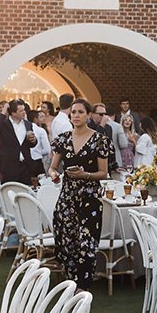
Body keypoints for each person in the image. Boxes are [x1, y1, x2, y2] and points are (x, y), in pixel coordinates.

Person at [47, 98, 112, 289]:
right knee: (68, 240)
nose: (75, 115)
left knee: (86, 242)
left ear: (88, 115)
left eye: (80, 112)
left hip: (89, 197)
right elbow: (52, 168)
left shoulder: (99, 140)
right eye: (73, 112)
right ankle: (70, 282)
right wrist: (54, 175)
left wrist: (85, 175)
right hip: (67, 197)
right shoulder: (63, 139)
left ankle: (83, 286)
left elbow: (104, 172)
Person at [0, 99, 40, 185]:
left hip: (25, 165)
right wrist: (3, 113)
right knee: (9, 191)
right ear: (13, 113)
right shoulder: (4, 124)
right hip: (9, 165)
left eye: (24, 110)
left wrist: (34, 141)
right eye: (21, 111)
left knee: (25, 192)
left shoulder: (28, 124)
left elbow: (30, 144)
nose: (24, 112)